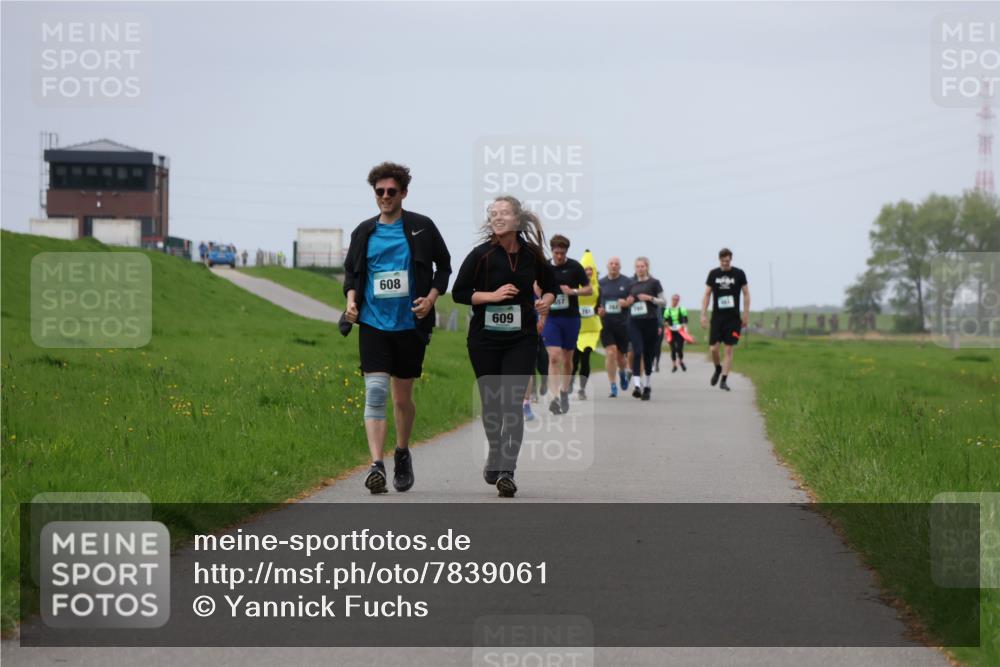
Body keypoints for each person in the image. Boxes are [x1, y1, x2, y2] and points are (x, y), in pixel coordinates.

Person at [343, 162, 452, 494]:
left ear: (404, 193)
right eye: (380, 192)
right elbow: (352, 273)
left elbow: (444, 267)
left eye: (392, 191)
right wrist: (351, 301)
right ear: (374, 194)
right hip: (374, 323)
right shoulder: (364, 231)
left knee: (402, 399)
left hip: (409, 325)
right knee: (375, 393)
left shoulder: (421, 227)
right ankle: (376, 464)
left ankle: (402, 452)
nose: (385, 196)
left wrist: (432, 297)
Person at [452, 196, 556, 497]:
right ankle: (495, 452)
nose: (497, 218)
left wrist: (545, 303)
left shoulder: (531, 255)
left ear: (517, 219)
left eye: (503, 213)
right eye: (492, 213)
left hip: (521, 337)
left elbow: (550, 288)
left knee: (512, 404)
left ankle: (507, 470)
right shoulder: (481, 255)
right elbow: (459, 293)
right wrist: (492, 296)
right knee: (492, 404)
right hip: (484, 339)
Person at [542, 235, 591, 415]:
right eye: (556, 253)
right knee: (554, 357)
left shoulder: (575, 267)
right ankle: (553, 397)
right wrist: (542, 296)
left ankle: (564, 391)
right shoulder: (545, 267)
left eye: (562, 253)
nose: (560, 256)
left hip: (570, 318)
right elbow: (534, 286)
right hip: (552, 318)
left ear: (566, 252)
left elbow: (589, 289)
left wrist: (573, 291)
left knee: (567, 359)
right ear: (552, 250)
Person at [700, 248, 749, 392]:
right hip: (717, 318)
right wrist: (703, 314)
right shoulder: (713, 274)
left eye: (727, 261)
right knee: (713, 348)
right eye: (722, 261)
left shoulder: (739, 273)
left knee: (728, 349)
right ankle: (717, 368)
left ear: (731, 260)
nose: (725, 263)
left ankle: (724, 380)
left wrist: (745, 314)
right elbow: (707, 294)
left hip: (733, 319)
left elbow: (746, 294)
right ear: (719, 260)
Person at [624, 257, 666, 401]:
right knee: (637, 351)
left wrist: (650, 298)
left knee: (648, 356)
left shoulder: (654, 283)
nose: (640, 269)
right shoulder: (631, 284)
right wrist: (627, 302)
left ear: (647, 267)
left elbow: (663, 301)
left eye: (642, 266)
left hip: (651, 321)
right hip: (634, 322)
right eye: (637, 266)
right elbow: (625, 302)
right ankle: (636, 385)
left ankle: (647, 385)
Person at [597, 256, 632, 397]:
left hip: (622, 324)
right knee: (610, 353)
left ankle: (623, 373)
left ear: (620, 267)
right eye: (611, 263)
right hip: (606, 324)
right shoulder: (601, 283)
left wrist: (627, 302)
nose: (614, 266)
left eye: (616, 264)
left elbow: (632, 299)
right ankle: (612, 385)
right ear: (607, 266)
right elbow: (596, 302)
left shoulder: (627, 282)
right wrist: (598, 310)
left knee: (620, 358)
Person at [570, 251, 602, 400]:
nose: (589, 272)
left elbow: (599, 306)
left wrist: (601, 310)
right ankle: (570, 382)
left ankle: (582, 388)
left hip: (592, 328)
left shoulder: (598, 288)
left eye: (591, 269)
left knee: (586, 357)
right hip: (576, 326)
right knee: (574, 359)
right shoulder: (575, 286)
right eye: (586, 269)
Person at [664, 294, 689, 372]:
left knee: (680, 348)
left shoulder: (682, 309)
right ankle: (674, 365)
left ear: (678, 300)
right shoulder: (667, 310)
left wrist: (684, 325)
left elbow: (685, 319)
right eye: (674, 299)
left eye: (677, 299)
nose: (675, 301)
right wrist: (666, 324)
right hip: (671, 331)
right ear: (671, 300)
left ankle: (681, 361)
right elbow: (665, 320)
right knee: (673, 349)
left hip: (679, 331)